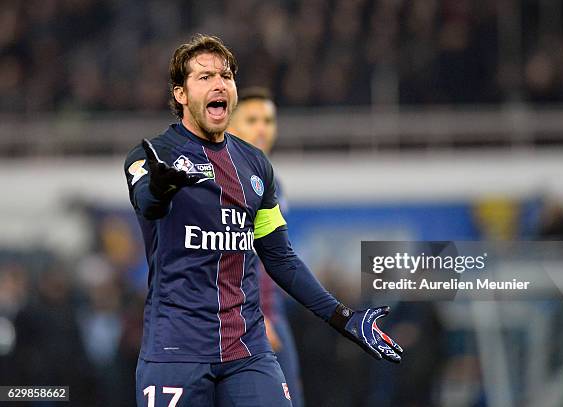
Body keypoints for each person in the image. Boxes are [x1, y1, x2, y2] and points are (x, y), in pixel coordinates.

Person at [123, 34, 402, 407]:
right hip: (176, 350)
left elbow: (280, 257)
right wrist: (159, 188)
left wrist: (343, 317)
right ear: (181, 94)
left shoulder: (255, 166)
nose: (219, 83)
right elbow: (146, 202)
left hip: (247, 351)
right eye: (204, 77)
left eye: (226, 75)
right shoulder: (154, 155)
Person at [227, 87, 304, 407]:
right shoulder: (225, 181)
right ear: (229, 124)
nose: (263, 128)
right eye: (252, 119)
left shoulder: (270, 182)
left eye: (269, 120)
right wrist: (254, 315)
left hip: (273, 314)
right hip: (245, 320)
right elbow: (227, 257)